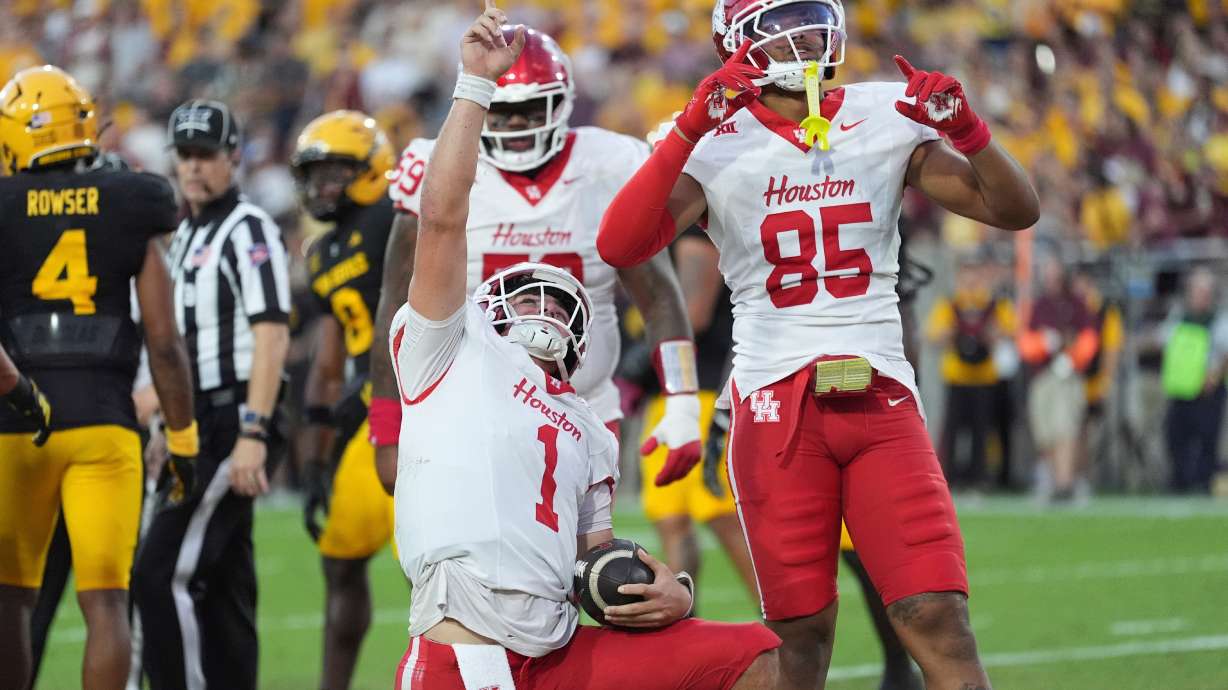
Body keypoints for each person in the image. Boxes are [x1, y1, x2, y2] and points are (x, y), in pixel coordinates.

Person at [596, 1, 1040, 687]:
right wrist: (687, 129)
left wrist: (970, 131)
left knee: (937, 614)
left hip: (881, 398)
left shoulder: (887, 113)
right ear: (741, 40)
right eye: (787, 20)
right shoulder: (714, 137)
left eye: (814, 17)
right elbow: (620, 245)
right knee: (799, 635)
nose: (808, 34)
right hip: (776, 406)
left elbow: (1015, 210)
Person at [387, 6, 781, 688]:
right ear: (489, 308)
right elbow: (442, 223)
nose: (544, 305)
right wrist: (474, 88)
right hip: (468, 653)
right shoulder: (447, 358)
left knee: (755, 651)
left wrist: (673, 591)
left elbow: (592, 563)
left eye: (560, 300)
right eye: (527, 295)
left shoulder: (589, 431)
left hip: (557, 641)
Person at [369, 24, 702, 499]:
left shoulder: (607, 163)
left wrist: (684, 400)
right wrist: (387, 423)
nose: (515, 128)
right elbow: (395, 305)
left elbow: (660, 297)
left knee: (582, 560)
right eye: (500, 113)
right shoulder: (438, 164)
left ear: (560, 102)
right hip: (466, 408)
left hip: (584, 406)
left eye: (528, 111)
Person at [0, 66, 198, 690]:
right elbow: (164, 343)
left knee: (11, 601)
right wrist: (185, 437)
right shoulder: (135, 199)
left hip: (16, 424)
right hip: (107, 424)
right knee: (106, 602)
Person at [131, 99, 291, 690]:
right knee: (224, 584)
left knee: (158, 574)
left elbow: (272, 331)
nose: (193, 169)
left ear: (234, 157)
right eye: (185, 157)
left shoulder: (248, 227)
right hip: (200, 417)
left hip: (232, 417)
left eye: (206, 156)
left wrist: (254, 431)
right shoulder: (188, 232)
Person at [290, 110, 397, 690]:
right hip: (364, 414)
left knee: (433, 565)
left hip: (416, 400)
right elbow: (327, 367)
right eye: (315, 174)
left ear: (371, 168)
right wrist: (312, 461)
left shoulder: (394, 217)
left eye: (335, 171)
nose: (322, 185)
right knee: (340, 559)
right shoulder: (321, 253)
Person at [638, 226, 758, 604]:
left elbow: (694, 312)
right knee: (671, 520)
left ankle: (786, 623)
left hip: (704, 389)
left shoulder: (696, 227)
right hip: (670, 392)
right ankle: (682, 629)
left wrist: (639, 360)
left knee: (722, 516)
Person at [925, 253, 1016, 489]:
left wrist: (993, 334)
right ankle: (951, 477)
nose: (971, 280)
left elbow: (1011, 332)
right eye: (967, 274)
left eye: (976, 274)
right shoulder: (950, 304)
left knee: (982, 431)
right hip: (957, 376)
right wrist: (951, 333)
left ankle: (980, 477)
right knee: (953, 431)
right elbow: (933, 335)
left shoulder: (994, 304)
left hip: (985, 376)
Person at [1018, 254, 1098, 503]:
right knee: (1046, 432)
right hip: (1043, 376)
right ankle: (1056, 480)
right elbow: (1026, 343)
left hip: (1067, 376)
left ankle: (1065, 482)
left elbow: (1088, 340)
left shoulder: (1076, 304)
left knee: (1065, 427)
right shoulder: (1039, 306)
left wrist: (1071, 359)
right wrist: (1045, 343)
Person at [1159, 267, 1228, 494]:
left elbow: (1224, 351)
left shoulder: (1218, 319)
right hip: (1181, 386)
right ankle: (1180, 481)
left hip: (1207, 387)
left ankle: (1203, 482)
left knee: (1207, 437)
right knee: (1176, 436)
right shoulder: (1179, 316)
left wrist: (1214, 376)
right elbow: (1164, 340)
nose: (1199, 296)